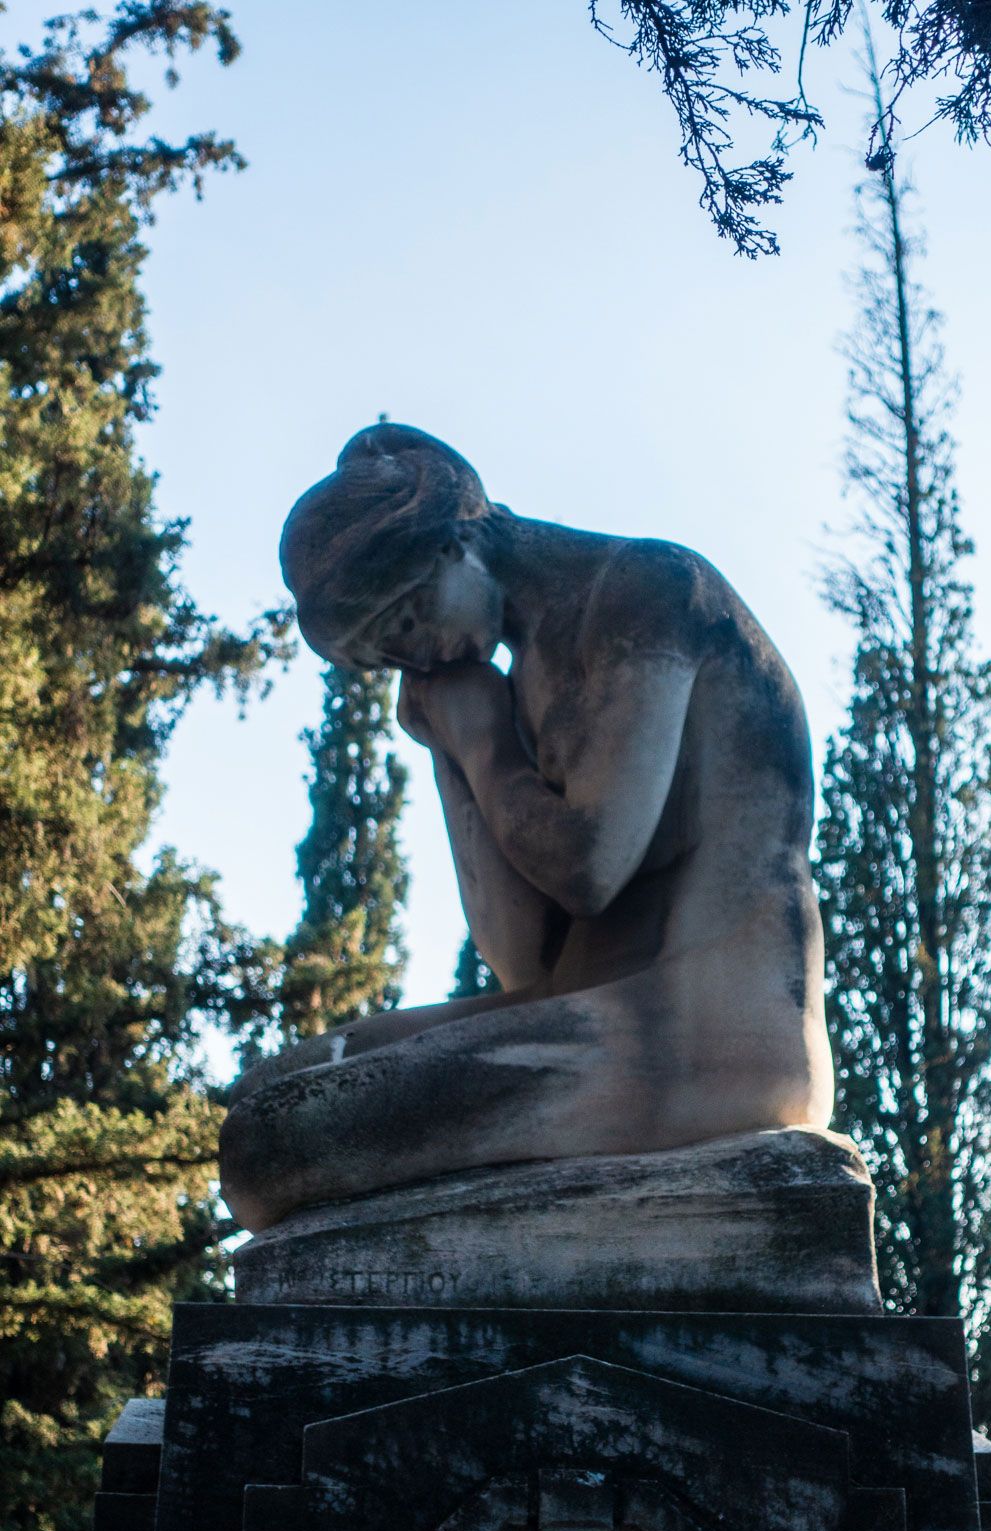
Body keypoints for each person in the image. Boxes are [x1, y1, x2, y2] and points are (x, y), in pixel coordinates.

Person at [219, 424, 833, 1232]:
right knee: (267, 1098)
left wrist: (483, 743)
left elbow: (592, 868)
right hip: (583, 1006)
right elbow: (519, 958)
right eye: (385, 657)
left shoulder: (646, 592)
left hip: (713, 1027)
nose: (415, 660)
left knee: (282, 1138)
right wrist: (452, 751)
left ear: (456, 542)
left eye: (404, 620)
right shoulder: (508, 674)